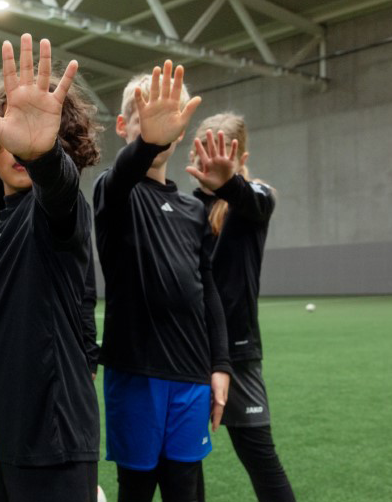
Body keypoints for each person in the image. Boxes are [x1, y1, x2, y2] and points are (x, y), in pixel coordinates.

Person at [0, 33, 101, 502]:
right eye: (8, 136)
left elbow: (58, 192)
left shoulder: (56, 210)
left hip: (52, 447)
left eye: (42, 138)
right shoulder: (4, 219)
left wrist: (44, 156)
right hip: (10, 441)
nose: (20, 151)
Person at [93, 61, 231, 502]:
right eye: (141, 119)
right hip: (136, 373)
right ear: (123, 126)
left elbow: (208, 290)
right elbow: (120, 178)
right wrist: (148, 141)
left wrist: (221, 364)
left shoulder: (193, 211)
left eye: (165, 122)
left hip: (191, 375)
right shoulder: (113, 193)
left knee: (185, 489)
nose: (154, 131)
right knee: (135, 490)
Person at [188, 113, 296, 502]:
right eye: (202, 152)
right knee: (183, 468)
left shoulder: (256, 198)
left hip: (237, 355)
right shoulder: (187, 208)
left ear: (240, 155)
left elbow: (251, 199)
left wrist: (229, 183)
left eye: (220, 152)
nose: (209, 162)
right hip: (187, 353)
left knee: (260, 459)